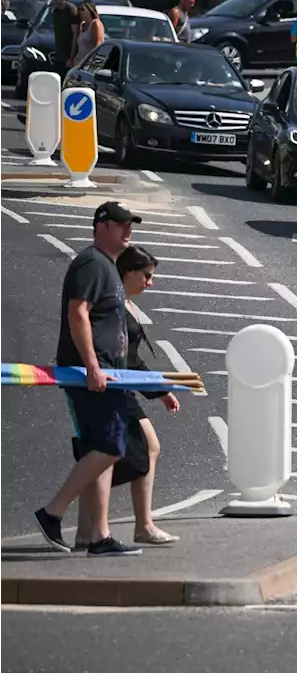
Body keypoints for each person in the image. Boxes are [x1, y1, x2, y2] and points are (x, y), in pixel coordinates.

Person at [34, 201, 144, 557]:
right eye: (121, 224)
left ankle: (97, 536)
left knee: (105, 448)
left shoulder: (108, 266)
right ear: (102, 226)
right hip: (90, 375)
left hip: (106, 374)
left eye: (130, 225)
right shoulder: (92, 263)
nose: (128, 231)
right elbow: (77, 312)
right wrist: (93, 366)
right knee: (110, 446)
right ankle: (53, 512)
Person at [72, 245, 180, 549]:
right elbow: (125, 356)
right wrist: (158, 390)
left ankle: (90, 530)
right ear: (128, 272)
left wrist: (160, 391)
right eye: (146, 275)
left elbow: (129, 355)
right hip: (111, 383)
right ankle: (138, 526)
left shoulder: (124, 302)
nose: (150, 282)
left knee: (108, 452)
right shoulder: (115, 303)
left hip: (121, 384)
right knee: (118, 451)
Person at [47, 0, 79, 72]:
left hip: (69, 58)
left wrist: (71, 58)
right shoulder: (56, 11)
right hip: (59, 56)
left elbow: (75, 36)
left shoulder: (71, 10)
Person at [70, 0, 104, 68]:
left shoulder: (96, 24)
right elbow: (75, 44)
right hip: (78, 62)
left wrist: (91, 63)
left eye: (82, 9)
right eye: (78, 9)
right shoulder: (82, 25)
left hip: (89, 64)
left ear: (90, 9)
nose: (80, 11)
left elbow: (98, 45)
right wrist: (71, 59)